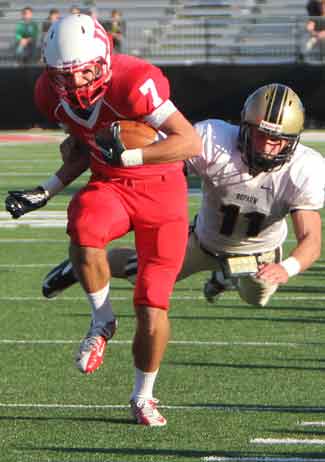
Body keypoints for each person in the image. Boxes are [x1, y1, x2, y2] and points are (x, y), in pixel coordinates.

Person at [5, 14, 201, 426]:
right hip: (111, 184)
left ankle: (143, 395)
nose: (76, 84)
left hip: (162, 193)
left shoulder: (134, 82)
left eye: (86, 72)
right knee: (83, 222)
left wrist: (132, 155)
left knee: (151, 306)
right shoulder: (49, 93)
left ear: (105, 59)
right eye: (66, 76)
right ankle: (102, 320)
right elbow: (82, 148)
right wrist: (47, 189)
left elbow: (189, 142)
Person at [41, 83, 325, 309]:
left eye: (277, 140)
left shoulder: (304, 168)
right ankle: (77, 266)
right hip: (202, 242)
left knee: (256, 298)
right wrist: (95, 146)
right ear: (244, 127)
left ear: (293, 141)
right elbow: (161, 164)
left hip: (258, 254)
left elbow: (311, 240)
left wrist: (286, 267)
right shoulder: (215, 140)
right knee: (139, 271)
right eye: (260, 135)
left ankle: (224, 277)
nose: (267, 147)